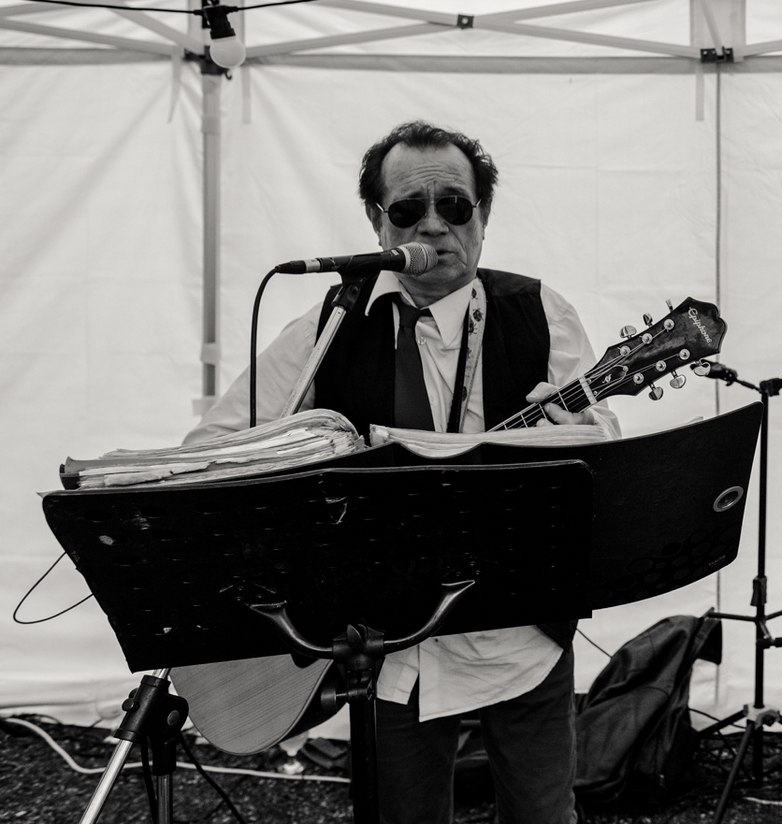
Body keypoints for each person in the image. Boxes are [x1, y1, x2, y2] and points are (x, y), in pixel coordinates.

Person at [188, 119, 617, 824]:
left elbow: (605, 449)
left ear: (484, 215)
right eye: (409, 208)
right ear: (376, 221)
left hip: (518, 638)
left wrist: (575, 441)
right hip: (385, 648)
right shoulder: (330, 325)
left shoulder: (541, 313)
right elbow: (214, 446)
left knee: (543, 816)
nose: (435, 225)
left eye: (456, 206)